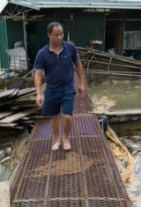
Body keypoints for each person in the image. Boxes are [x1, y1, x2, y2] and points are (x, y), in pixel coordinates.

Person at [34, 21, 85, 151]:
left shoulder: (70, 48)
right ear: (49, 35)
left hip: (68, 87)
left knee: (68, 116)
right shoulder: (42, 53)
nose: (59, 37)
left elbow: (78, 65)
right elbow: (38, 74)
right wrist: (39, 94)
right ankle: (57, 139)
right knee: (55, 116)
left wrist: (81, 83)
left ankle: (66, 138)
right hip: (52, 89)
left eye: (61, 34)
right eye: (56, 35)